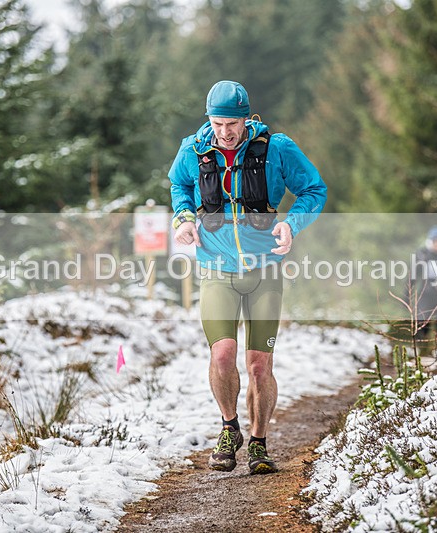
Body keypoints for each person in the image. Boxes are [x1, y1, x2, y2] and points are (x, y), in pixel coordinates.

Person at [169, 80, 327, 475]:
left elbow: (313, 189)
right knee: (222, 354)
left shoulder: (277, 149)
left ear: (247, 119)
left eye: (233, 124)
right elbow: (179, 186)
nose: (225, 133)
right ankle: (229, 427)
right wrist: (183, 218)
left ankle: (259, 442)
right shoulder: (193, 149)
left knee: (259, 364)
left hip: (265, 271)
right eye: (219, 123)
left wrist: (292, 224)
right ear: (209, 119)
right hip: (216, 269)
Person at [406, 226, 437, 339]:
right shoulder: (423, 255)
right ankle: (421, 347)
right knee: (422, 321)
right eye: (435, 242)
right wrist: (406, 296)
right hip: (426, 294)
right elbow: (412, 276)